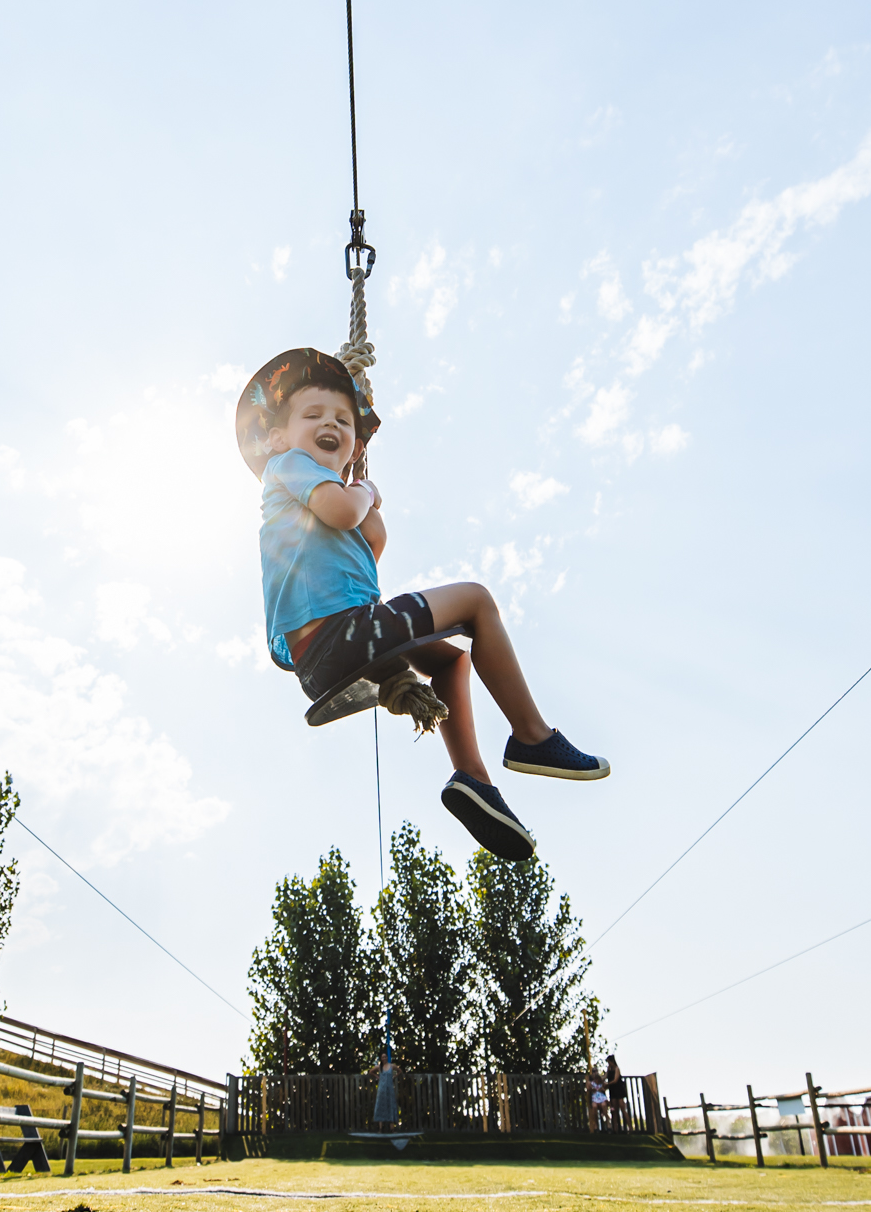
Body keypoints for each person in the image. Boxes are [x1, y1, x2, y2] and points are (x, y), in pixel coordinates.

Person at [236, 347, 609, 861]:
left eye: (343, 420)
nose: (332, 423)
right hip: (342, 634)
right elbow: (346, 512)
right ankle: (531, 735)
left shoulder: (310, 492)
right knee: (477, 602)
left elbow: (363, 555)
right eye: (315, 414)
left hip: (329, 654)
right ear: (278, 437)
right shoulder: (289, 464)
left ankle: (474, 780)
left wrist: (364, 510)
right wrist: (363, 490)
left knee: (451, 658)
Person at [373, 1047, 399, 1131]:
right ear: (381, 1058)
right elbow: (371, 1071)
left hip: (390, 1089)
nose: (384, 1058)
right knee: (381, 1106)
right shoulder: (379, 1067)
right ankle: (380, 1128)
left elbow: (400, 1071)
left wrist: (394, 1076)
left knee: (390, 1105)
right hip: (381, 1089)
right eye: (382, 1057)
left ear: (387, 1057)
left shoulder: (391, 1066)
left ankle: (392, 1128)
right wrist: (377, 1076)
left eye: (385, 1056)